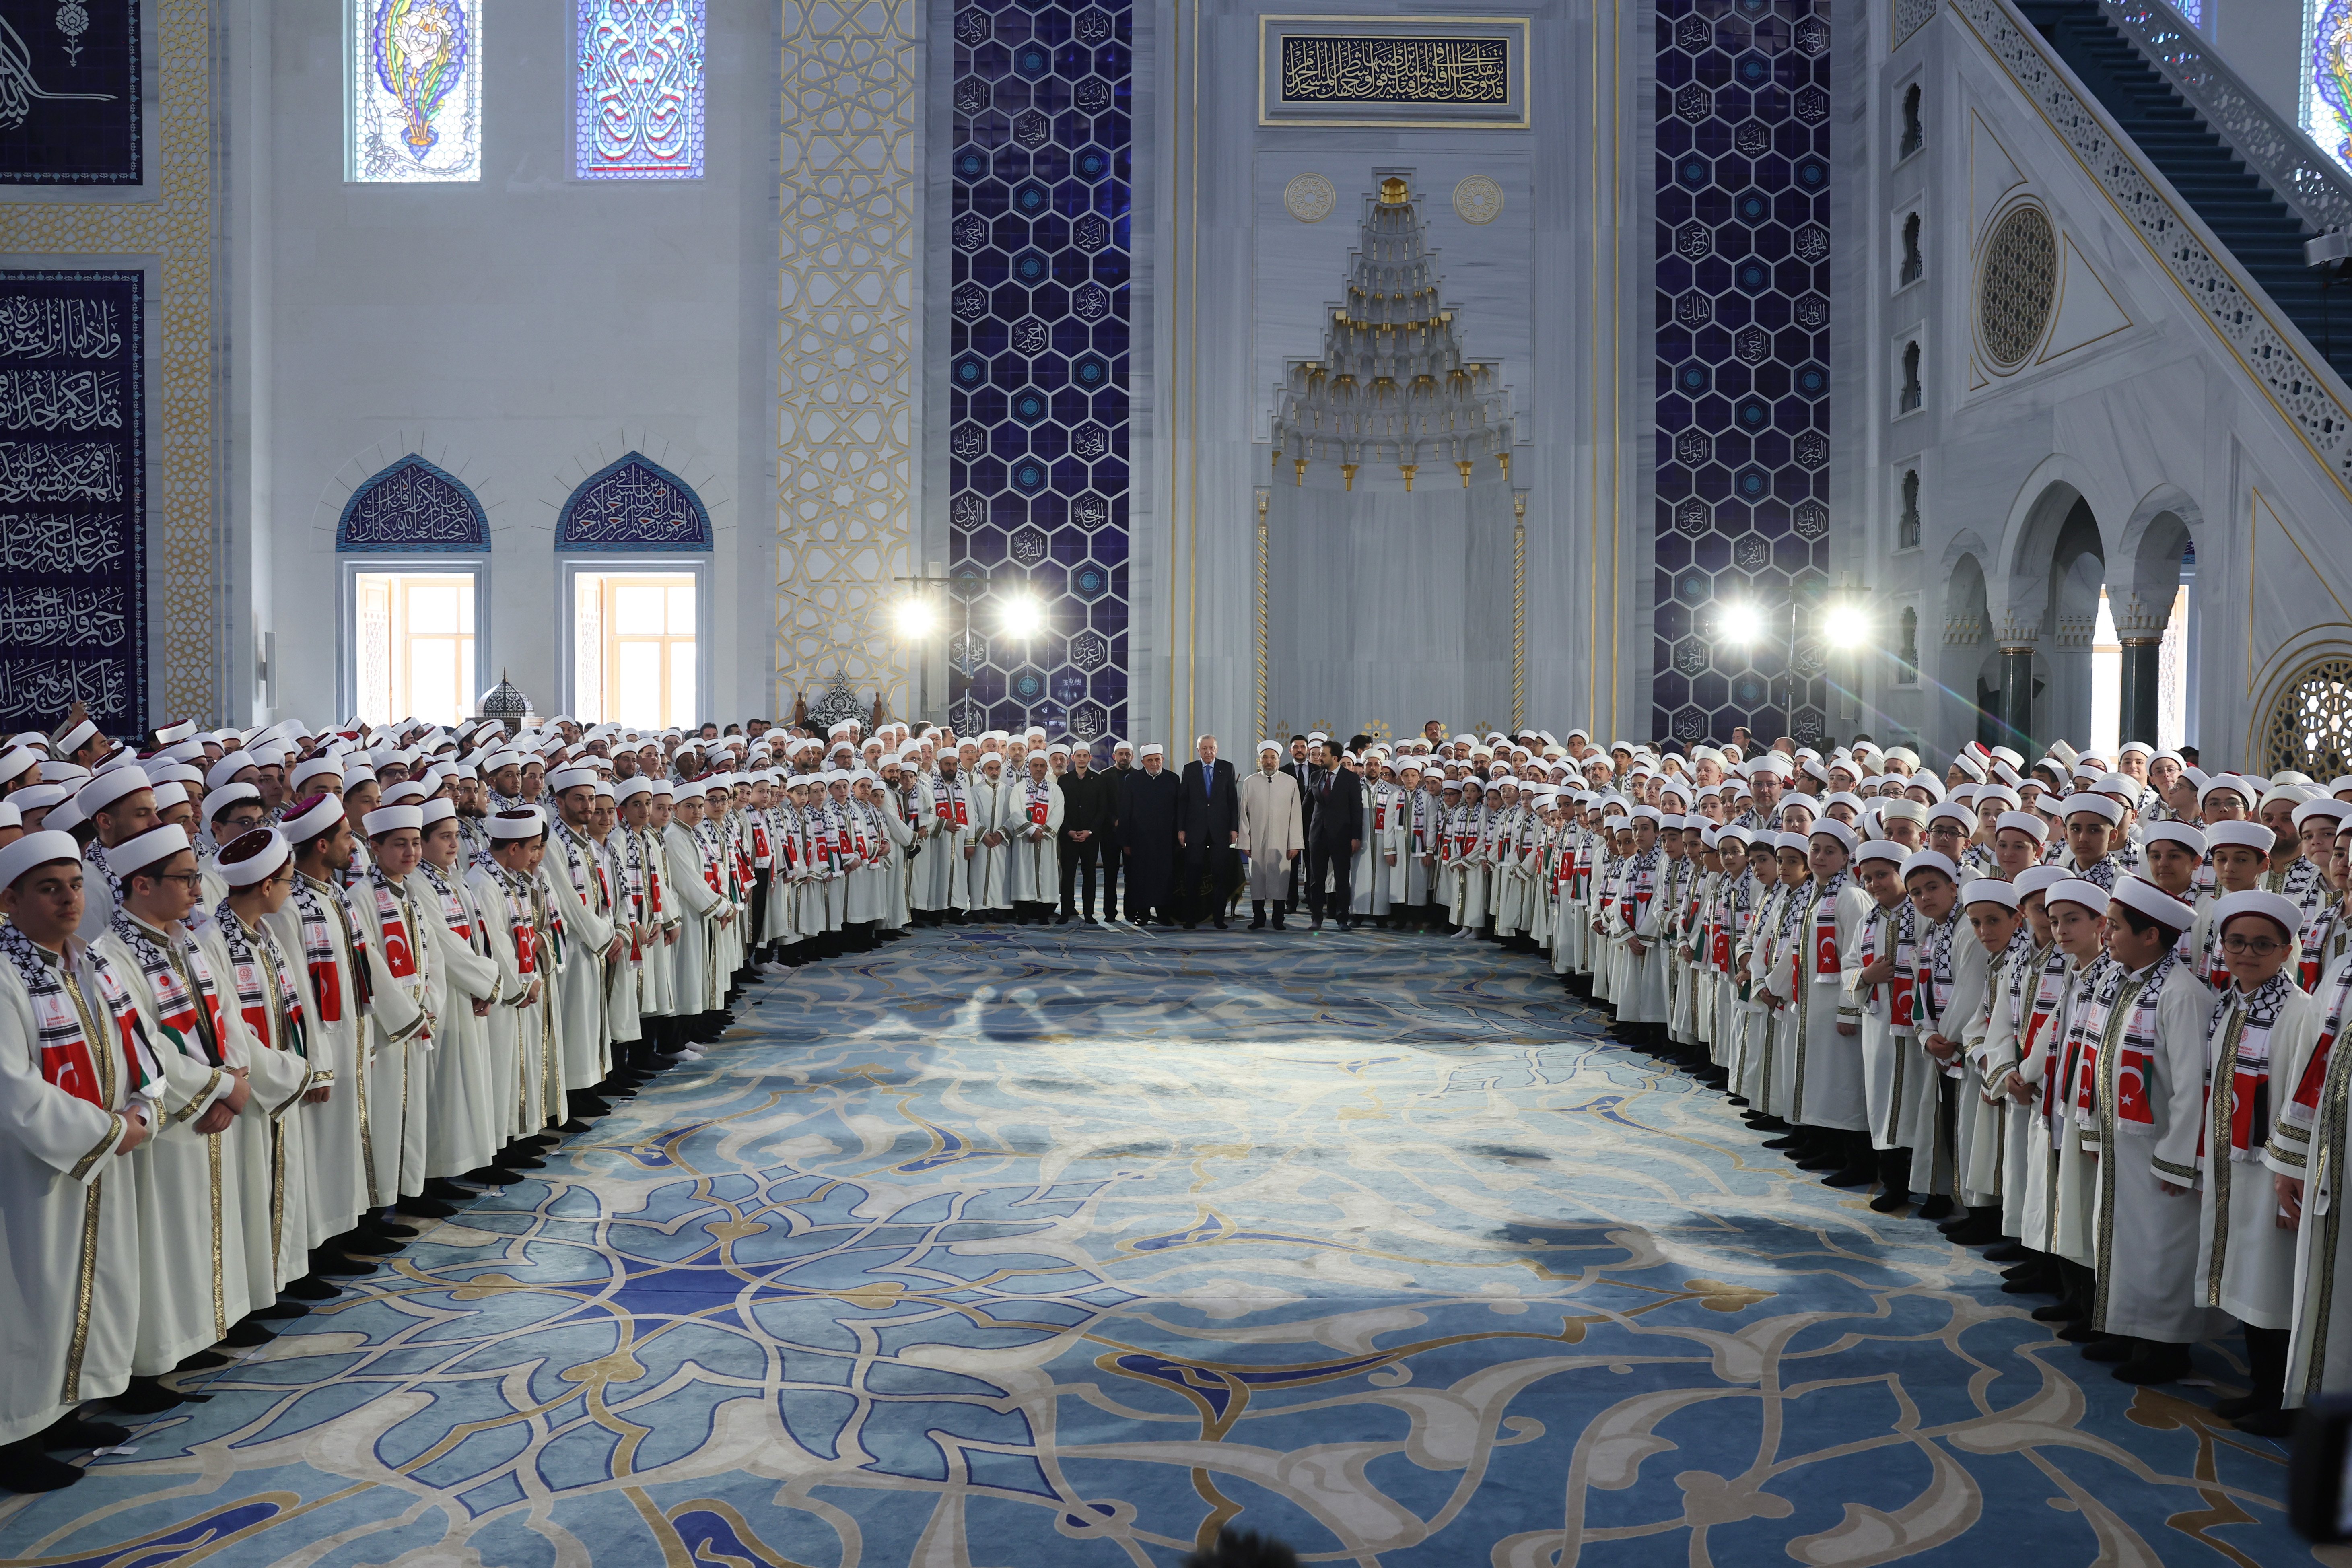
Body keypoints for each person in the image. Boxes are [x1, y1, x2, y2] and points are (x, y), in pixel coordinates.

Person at [0, 831, 158, 1490]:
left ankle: (63, 1410)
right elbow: (12, 1087)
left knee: (85, 1283)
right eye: (48, 887)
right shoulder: (6, 973)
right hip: (29, 1174)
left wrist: (145, 1104)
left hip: (94, 1153)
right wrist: (106, 1128)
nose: (69, 898)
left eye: (74, 884)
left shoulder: (88, 962)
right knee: (27, 1298)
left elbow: (138, 1038)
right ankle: (14, 1434)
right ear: (9, 899)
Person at [1239, 741, 1304, 930]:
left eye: (1273, 758)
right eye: (1265, 758)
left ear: (1279, 760)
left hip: (1282, 841)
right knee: (1257, 879)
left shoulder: (1290, 782)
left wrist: (1295, 844)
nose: (1269, 762)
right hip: (1257, 839)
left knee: (1280, 880)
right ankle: (1258, 918)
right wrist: (1245, 840)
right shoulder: (1250, 782)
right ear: (1260, 761)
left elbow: (1296, 816)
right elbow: (1243, 815)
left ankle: (1278, 919)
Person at [1176, 736, 1240, 929]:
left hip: (1220, 830)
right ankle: (1191, 918)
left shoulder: (1227, 768)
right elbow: (1183, 802)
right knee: (1193, 875)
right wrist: (1181, 829)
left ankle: (1219, 918)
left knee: (1220, 875)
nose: (1208, 752)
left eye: (1211, 748)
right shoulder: (1190, 770)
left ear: (1217, 749)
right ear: (1198, 750)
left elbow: (1232, 802)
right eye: (1204, 749)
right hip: (1195, 830)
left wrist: (1234, 828)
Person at [1119, 745, 1181, 925]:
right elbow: (1126, 812)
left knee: (1165, 877)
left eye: (1158, 759)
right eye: (1150, 760)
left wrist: (1179, 834)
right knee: (1141, 877)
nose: (1155, 763)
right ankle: (1143, 914)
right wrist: (1126, 842)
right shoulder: (1132, 779)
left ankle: (1164, 914)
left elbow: (1179, 810)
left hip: (1166, 840)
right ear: (1143, 763)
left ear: (1163, 759)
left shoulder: (1173, 779)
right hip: (1140, 840)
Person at [1305, 749, 1363, 932]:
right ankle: (1316, 919)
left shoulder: (1350, 778)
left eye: (1323, 755)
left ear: (1335, 758)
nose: (1319, 757)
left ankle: (1342, 919)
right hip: (1317, 834)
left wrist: (1356, 836)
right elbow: (1307, 803)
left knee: (1341, 880)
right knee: (1316, 879)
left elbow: (1356, 810)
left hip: (1342, 836)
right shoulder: (1316, 775)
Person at [1055, 745, 1113, 923]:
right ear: (1073, 758)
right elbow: (1060, 810)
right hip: (1069, 836)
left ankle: (1089, 914)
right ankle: (1065, 913)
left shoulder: (1099, 780)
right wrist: (1069, 830)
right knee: (1068, 875)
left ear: (1090, 758)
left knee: (1090, 875)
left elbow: (1103, 810)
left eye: (1085, 756)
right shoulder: (1063, 781)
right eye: (1078, 756)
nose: (1081, 759)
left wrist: (1090, 831)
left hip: (1091, 837)